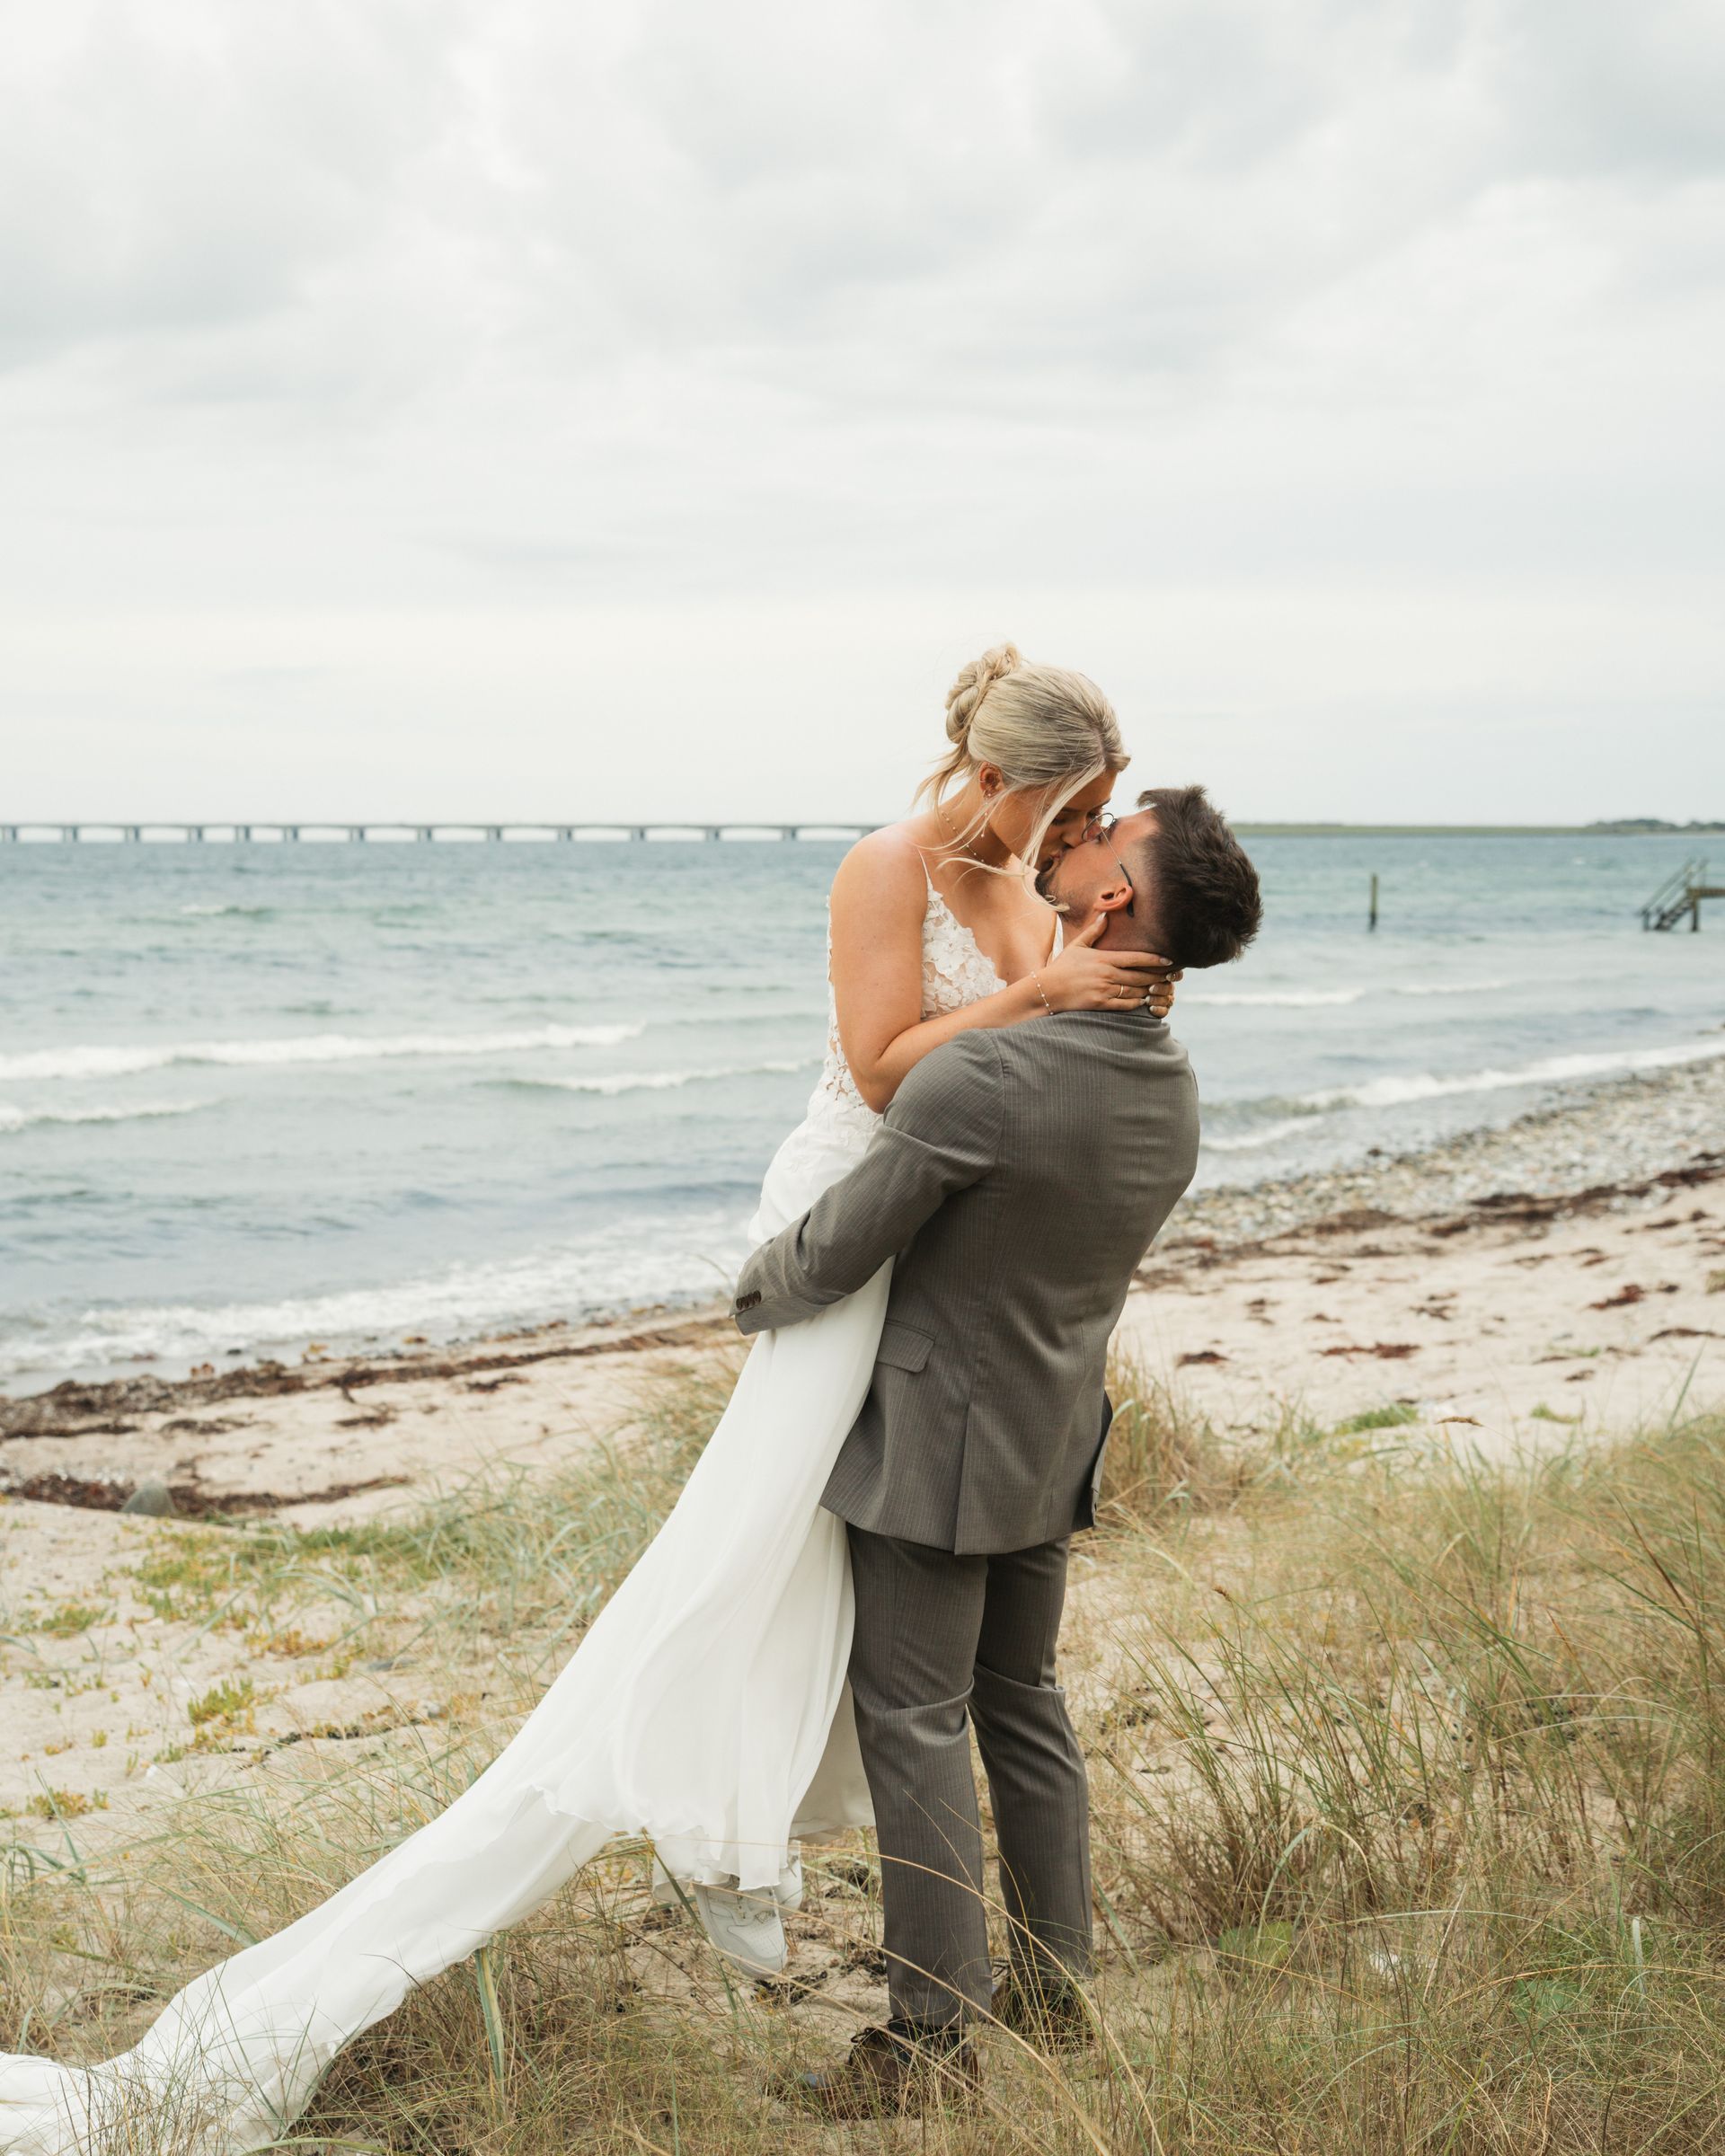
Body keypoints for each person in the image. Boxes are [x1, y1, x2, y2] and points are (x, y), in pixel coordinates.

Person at [0, 645, 1179, 2156]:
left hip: (939, 1272)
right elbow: (889, 1074)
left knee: (909, 1650)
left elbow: (1034, 1094)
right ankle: (699, 1807)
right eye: (1068, 802)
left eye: (1092, 814)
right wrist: (1053, 999)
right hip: (849, 1232)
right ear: (1008, 774)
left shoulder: (1025, 902)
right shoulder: (886, 868)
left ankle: (877, 1942)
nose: (1073, 836)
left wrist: (1087, 1001)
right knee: (750, 1567)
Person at [731, 786, 1262, 2116]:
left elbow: (843, 1245)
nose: (1068, 841)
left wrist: (752, 1289)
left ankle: (928, 2039)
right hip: (1052, 1434)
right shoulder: (1169, 1089)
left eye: (1098, 834)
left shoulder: (990, 1074)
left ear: (1115, 896)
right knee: (1024, 1707)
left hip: (936, 1443)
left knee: (913, 1719)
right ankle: (1055, 1989)